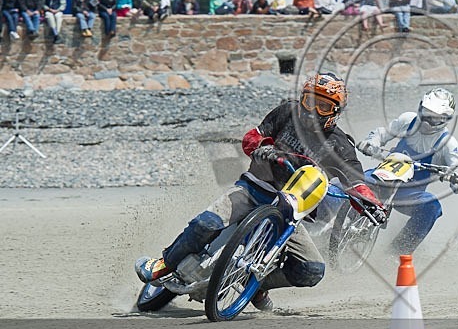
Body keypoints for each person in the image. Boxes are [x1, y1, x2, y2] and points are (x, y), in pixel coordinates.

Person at [136, 73, 387, 310]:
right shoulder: (287, 112)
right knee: (206, 223)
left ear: (335, 112)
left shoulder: (340, 145)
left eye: (322, 106)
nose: (313, 110)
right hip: (253, 188)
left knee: (312, 269)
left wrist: (372, 204)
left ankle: (256, 284)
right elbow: (253, 136)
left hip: (291, 212)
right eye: (309, 101)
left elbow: (356, 183)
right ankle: (164, 264)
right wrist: (262, 146)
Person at [356, 88, 458, 254]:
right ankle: (328, 223)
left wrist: (457, 179)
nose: (427, 122)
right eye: (426, 114)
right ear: (420, 107)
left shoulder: (448, 143)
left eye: (435, 118)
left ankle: (398, 252)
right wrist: (371, 142)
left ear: (446, 118)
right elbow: (383, 133)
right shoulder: (407, 120)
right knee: (353, 182)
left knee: (432, 206)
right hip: (382, 176)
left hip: (409, 193)